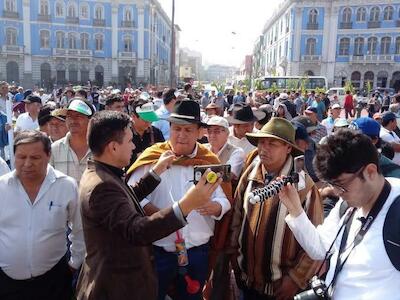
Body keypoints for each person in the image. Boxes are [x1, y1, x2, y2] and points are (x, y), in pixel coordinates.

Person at [76, 110, 222, 300]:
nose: (134, 145)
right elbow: (138, 231)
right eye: (129, 141)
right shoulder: (102, 186)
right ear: (113, 147)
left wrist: (156, 171)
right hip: (117, 286)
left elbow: (127, 198)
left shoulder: (105, 175)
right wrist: (187, 204)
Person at [126, 100, 231, 300]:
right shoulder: (153, 157)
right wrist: (152, 212)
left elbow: (225, 199)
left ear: (200, 132)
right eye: (176, 129)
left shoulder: (210, 161)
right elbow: (131, 195)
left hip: (197, 252)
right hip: (158, 251)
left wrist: (217, 207)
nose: (181, 135)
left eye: (188, 130)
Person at [278, 129, 400, 299]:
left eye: (341, 185)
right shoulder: (347, 204)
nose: (336, 192)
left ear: (370, 172)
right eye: (332, 185)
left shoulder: (396, 211)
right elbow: (321, 248)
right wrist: (295, 209)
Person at [229, 117, 323, 300]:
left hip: (281, 288)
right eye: (261, 142)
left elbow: (317, 241)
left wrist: (295, 279)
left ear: (289, 148)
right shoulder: (250, 173)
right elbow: (237, 216)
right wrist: (234, 256)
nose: (264, 148)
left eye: (272, 144)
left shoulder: (303, 186)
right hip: (246, 281)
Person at [0, 131, 84, 300]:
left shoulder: (67, 186)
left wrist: (74, 263)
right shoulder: (2, 187)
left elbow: (80, 229)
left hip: (54, 280)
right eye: (21, 157)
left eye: (35, 157)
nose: (27, 164)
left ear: (48, 155)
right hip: (7, 283)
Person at [50, 98, 94, 183]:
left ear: (90, 121)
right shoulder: (54, 149)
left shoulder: (101, 148)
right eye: (69, 116)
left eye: (78, 116)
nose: (73, 120)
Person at [205, 115, 245, 180]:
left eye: (217, 131)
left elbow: (227, 174)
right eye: (209, 131)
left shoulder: (236, 152)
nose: (212, 135)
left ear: (227, 133)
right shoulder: (203, 148)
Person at [129, 100, 165, 164]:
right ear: (133, 116)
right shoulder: (125, 133)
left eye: (150, 119)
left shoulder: (156, 132)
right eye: (145, 120)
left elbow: (164, 152)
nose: (148, 123)